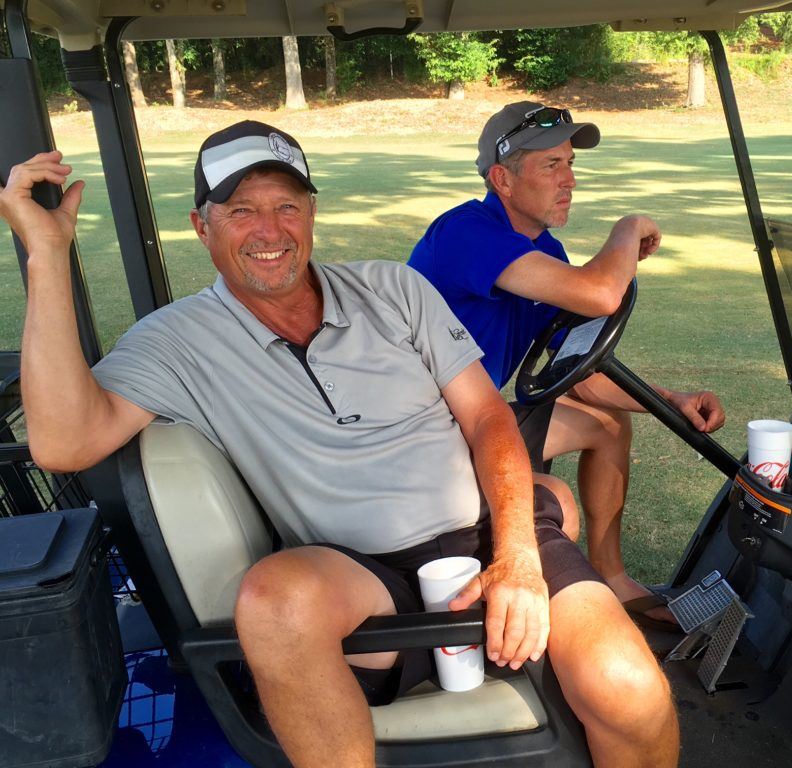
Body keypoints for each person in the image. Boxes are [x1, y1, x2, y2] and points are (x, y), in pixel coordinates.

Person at [0, 120, 678, 768]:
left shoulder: (395, 290)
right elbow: (63, 443)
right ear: (201, 227)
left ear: (311, 212)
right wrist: (48, 253)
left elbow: (487, 420)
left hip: (491, 535)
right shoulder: (177, 342)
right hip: (362, 579)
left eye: (287, 206)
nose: (270, 230)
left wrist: (519, 558)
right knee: (275, 598)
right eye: (241, 210)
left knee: (631, 692)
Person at [408, 102, 727, 630]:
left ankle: (614, 578)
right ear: (502, 179)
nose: (570, 181)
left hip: (469, 420)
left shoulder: (541, 249)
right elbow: (600, 293)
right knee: (574, 461)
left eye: (570, 164)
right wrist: (629, 228)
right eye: (551, 166)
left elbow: (578, 368)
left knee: (608, 424)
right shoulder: (465, 233)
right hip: (427, 434)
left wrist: (670, 400)